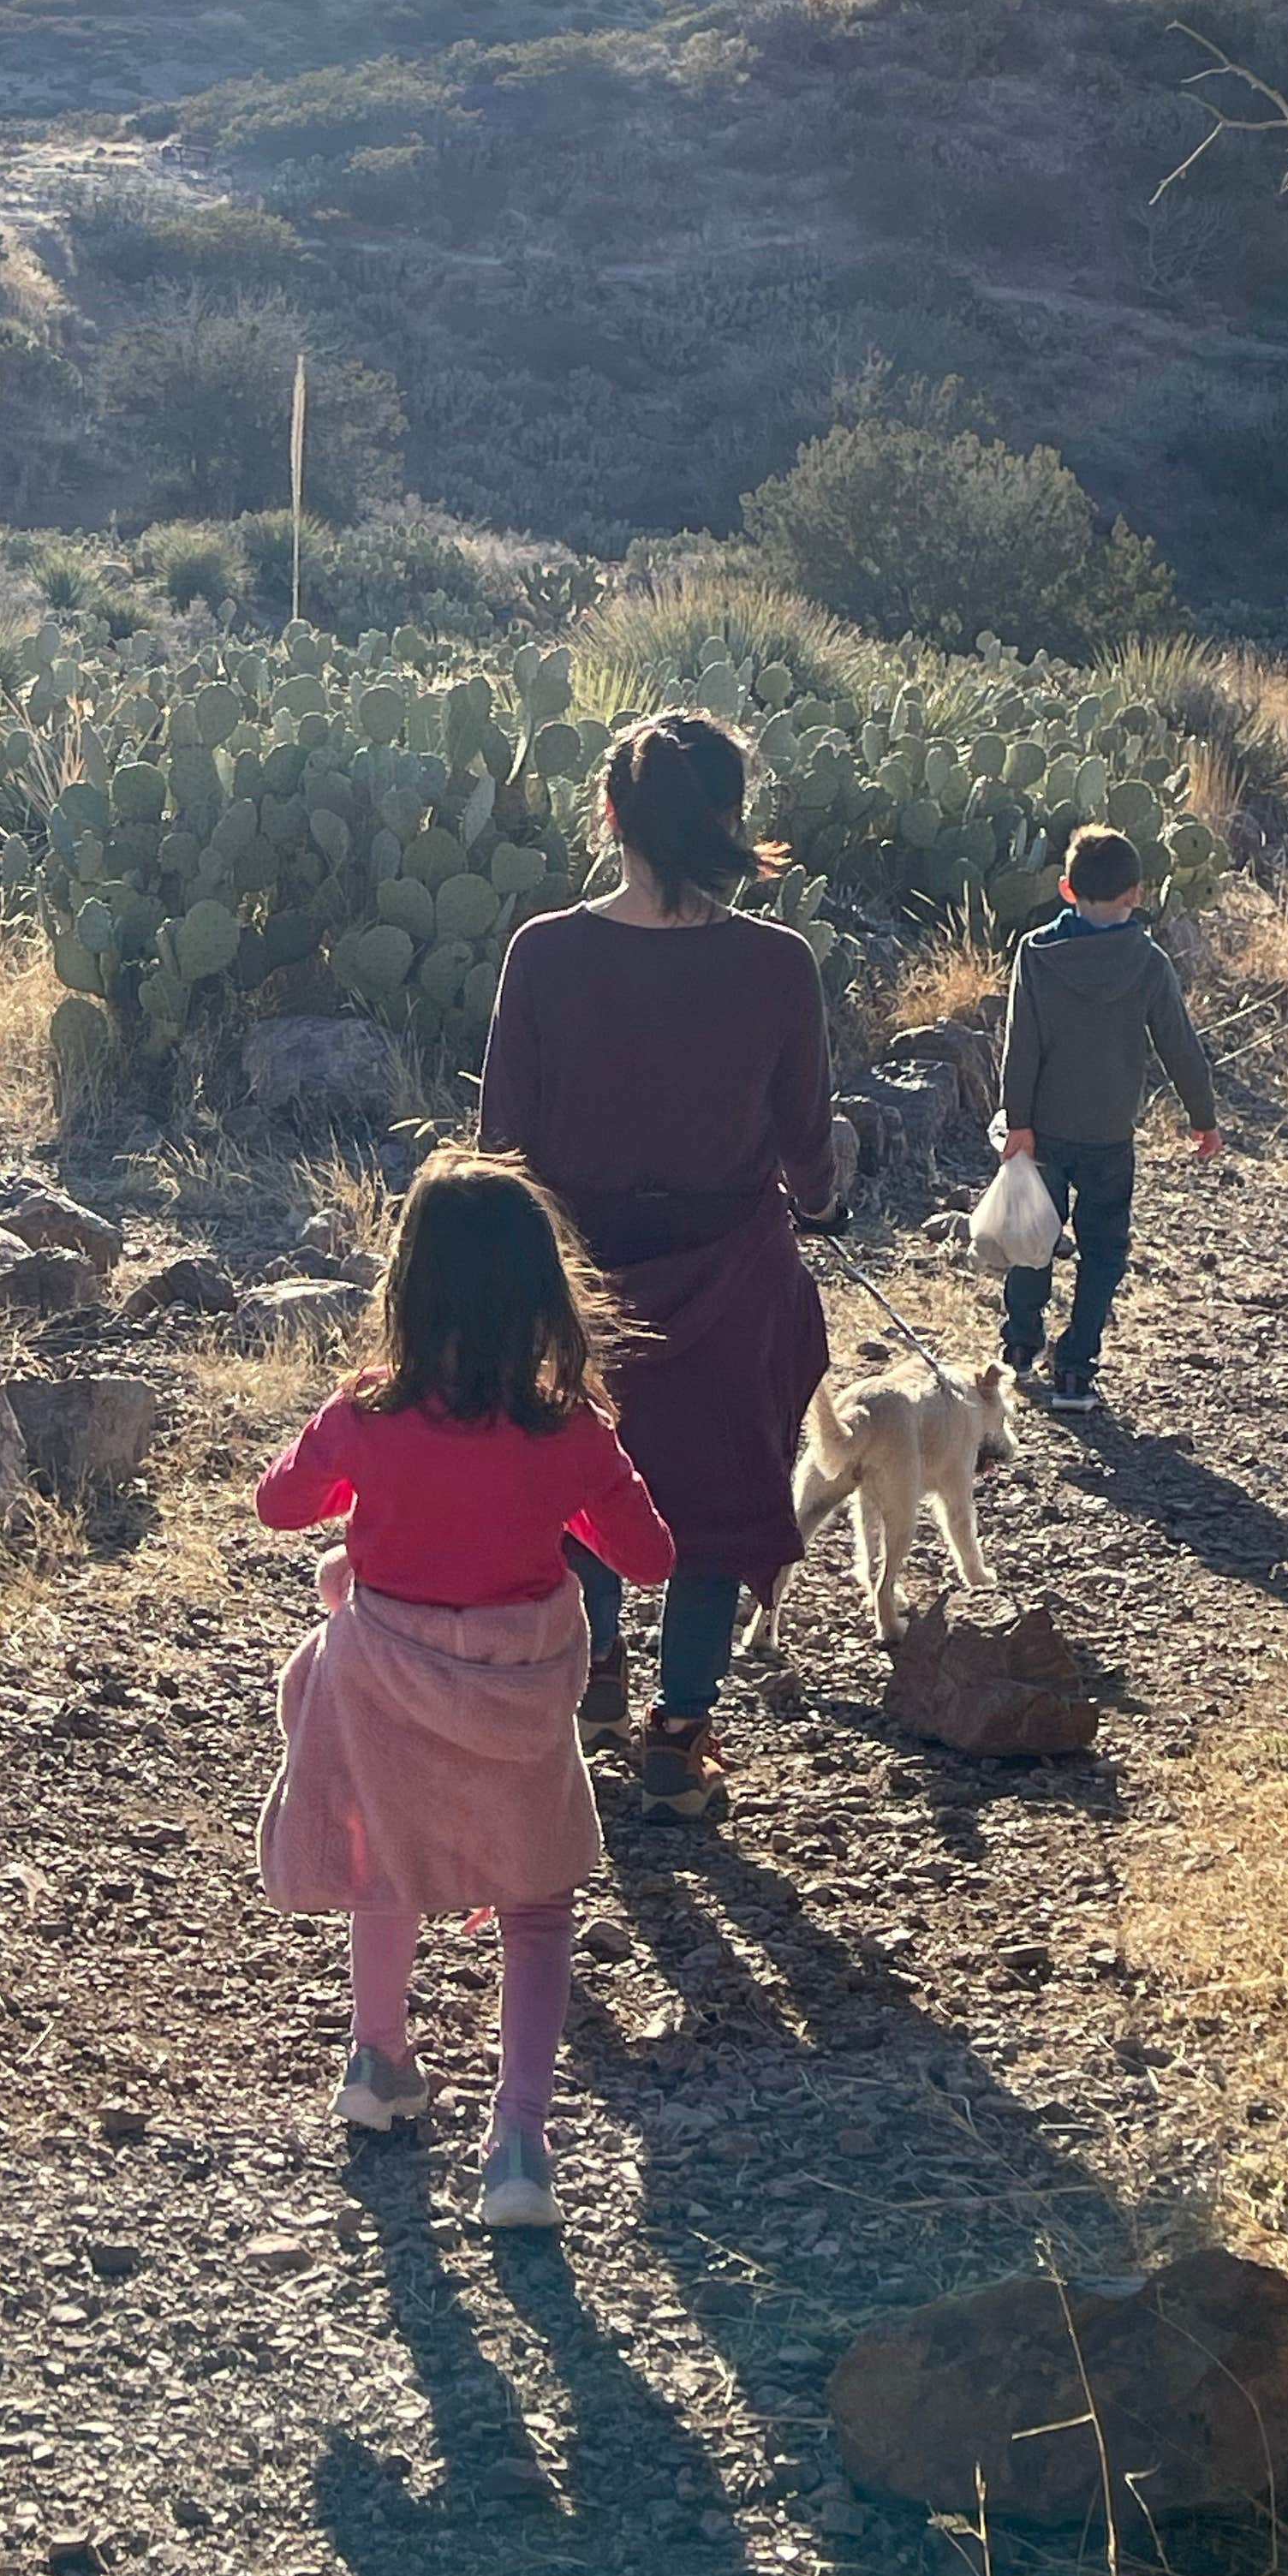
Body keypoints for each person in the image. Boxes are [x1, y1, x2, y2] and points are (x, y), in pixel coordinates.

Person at [254, 1150, 672, 2233]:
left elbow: (279, 1506)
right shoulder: (570, 1430)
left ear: (407, 1286)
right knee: (538, 1905)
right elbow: (652, 1558)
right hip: (517, 1687)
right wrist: (575, 1496)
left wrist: (340, 1458)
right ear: (543, 1293)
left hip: (384, 1674)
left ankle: (378, 2056)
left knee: (383, 1860)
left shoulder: (366, 1413)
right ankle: (518, 2143)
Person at [478, 709, 842, 1828]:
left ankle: (592, 1680)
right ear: (732, 822)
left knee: (583, 1482)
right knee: (714, 1508)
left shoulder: (544, 951)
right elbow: (812, 1160)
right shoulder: (780, 965)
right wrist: (821, 1199)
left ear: (610, 816)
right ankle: (680, 1742)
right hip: (733, 1283)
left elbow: (502, 1147)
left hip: (576, 1287)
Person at [996, 822, 1221, 1411]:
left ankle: (1019, 1346)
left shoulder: (1037, 953)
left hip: (1042, 1131)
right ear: (1137, 894)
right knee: (1103, 1251)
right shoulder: (1147, 962)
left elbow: (1020, 1043)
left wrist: (1018, 1122)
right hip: (1110, 1136)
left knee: (1030, 1242)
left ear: (1066, 888)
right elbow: (1179, 1045)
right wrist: (1204, 1117)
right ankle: (1076, 1372)